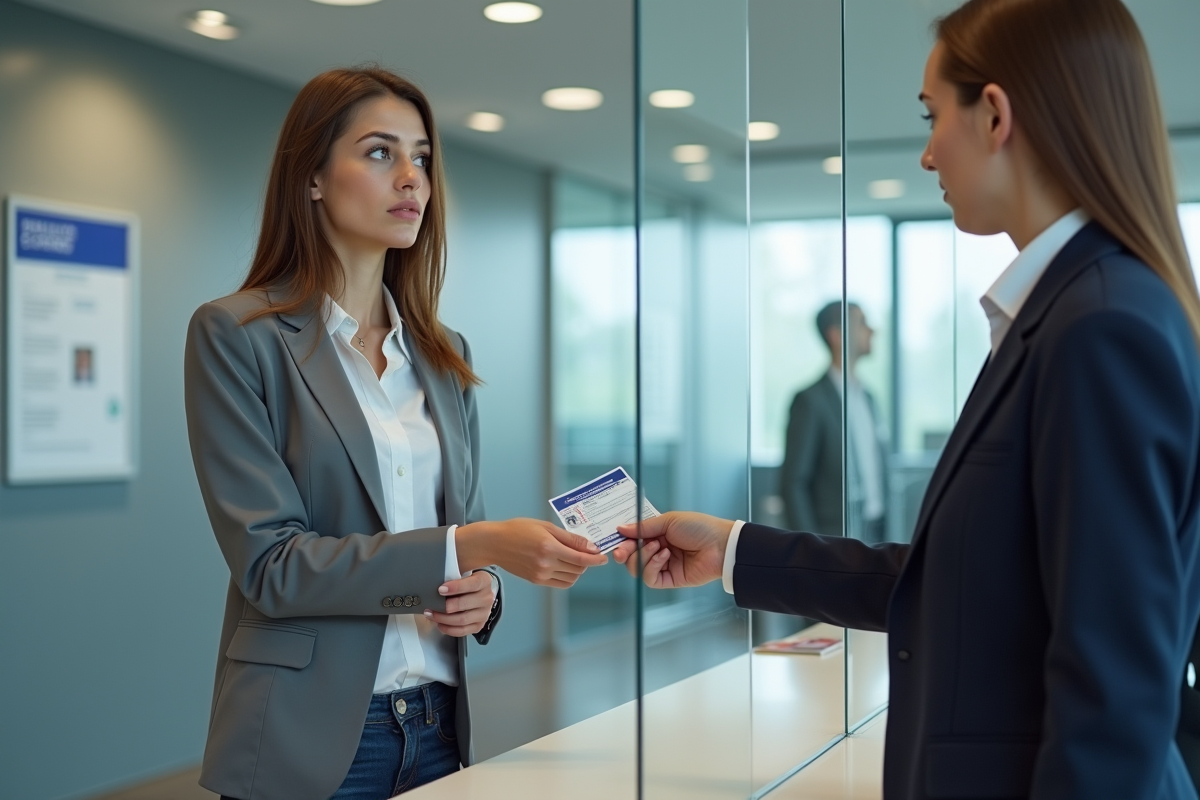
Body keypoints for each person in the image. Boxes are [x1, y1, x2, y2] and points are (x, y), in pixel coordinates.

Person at [614, 0, 1200, 796]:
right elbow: (963, 586)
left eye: (932, 117)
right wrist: (735, 550)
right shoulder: (1074, 312)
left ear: (994, 114)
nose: (927, 155)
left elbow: (1115, 688)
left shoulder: (1099, 326)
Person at [184, 67, 607, 800]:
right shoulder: (236, 335)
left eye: (422, 157)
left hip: (441, 728)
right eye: (381, 153)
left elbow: (458, 536)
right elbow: (274, 567)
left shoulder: (445, 356)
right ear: (312, 177)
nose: (411, 178)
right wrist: (475, 546)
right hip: (307, 737)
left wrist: (485, 591)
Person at [781, 301, 888, 542]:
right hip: (832, 540)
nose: (872, 331)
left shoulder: (868, 398)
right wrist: (809, 550)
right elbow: (794, 484)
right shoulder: (810, 401)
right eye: (862, 323)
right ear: (836, 335)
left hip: (874, 533)